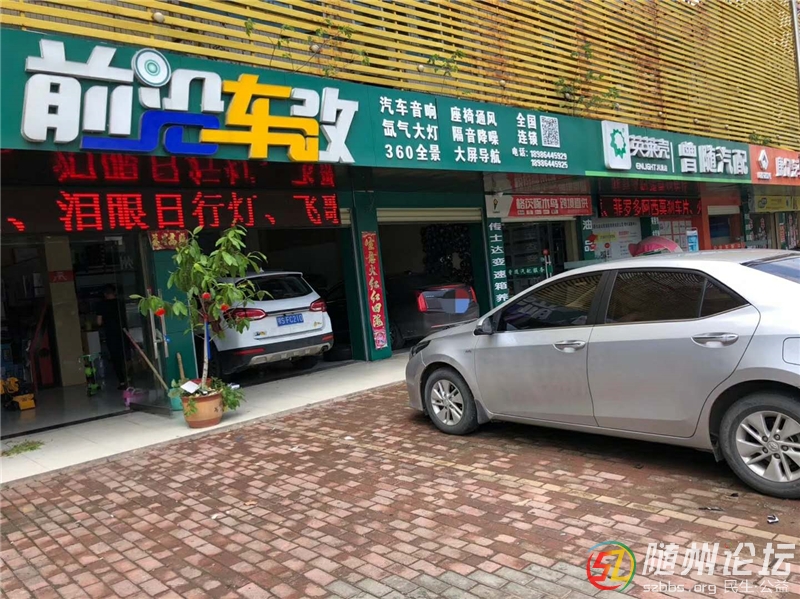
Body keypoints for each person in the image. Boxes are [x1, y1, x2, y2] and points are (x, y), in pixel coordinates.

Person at [96, 284, 128, 390]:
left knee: (116, 358)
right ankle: (130, 378)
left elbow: (99, 322)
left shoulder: (101, 305)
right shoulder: (120, 303)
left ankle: (122, 382)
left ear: (105, 294)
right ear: (114, 292)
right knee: (125, 356)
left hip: (111, 334)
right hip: (123, 333)